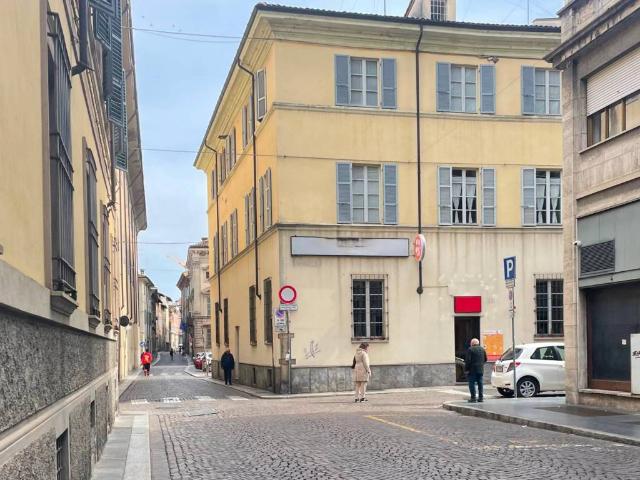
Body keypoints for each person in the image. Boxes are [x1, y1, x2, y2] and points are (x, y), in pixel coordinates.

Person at [465, 338, 487, 403]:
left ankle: (473, 398)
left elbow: (468, 361)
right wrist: (481, 364)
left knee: (472, 384)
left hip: (472, 370)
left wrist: (466, 369)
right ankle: (481, 398)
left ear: (472, 343)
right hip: (480, 369)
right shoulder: (482, 349)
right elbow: (486, 359)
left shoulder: (470, 349)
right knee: (480, 383)